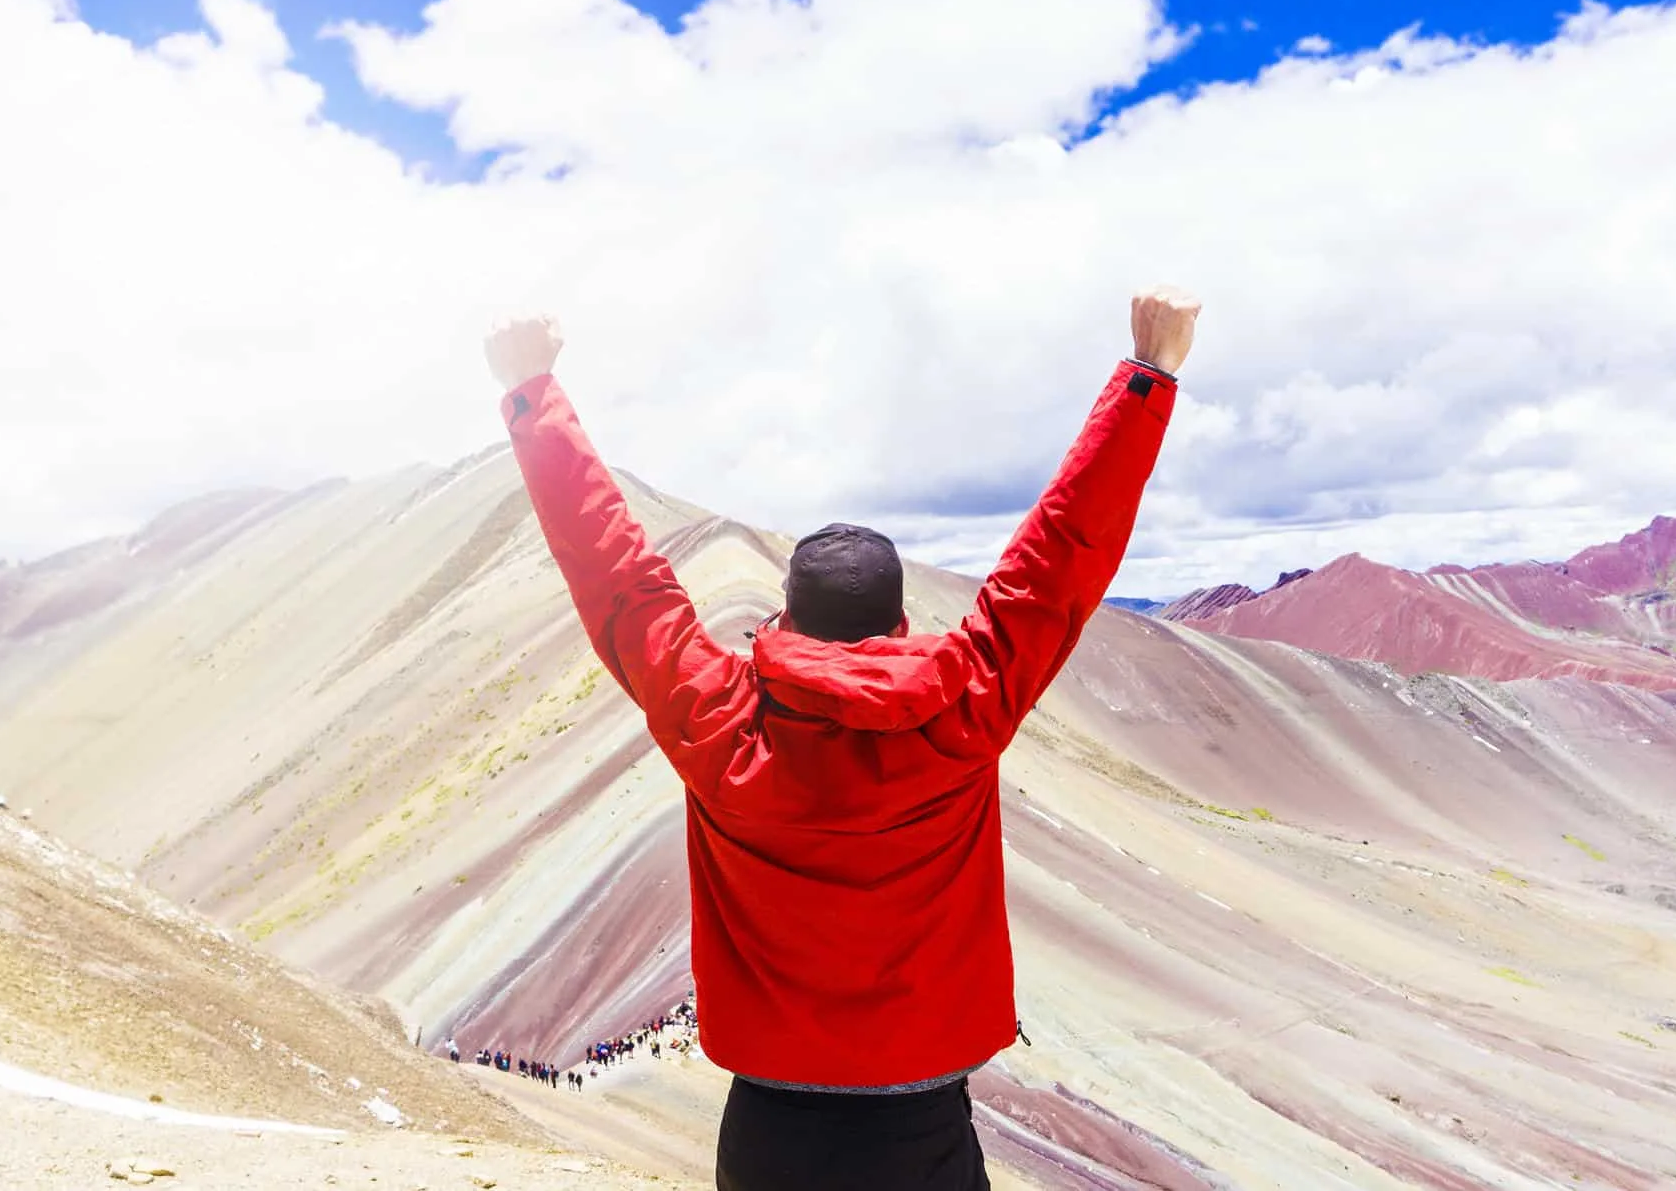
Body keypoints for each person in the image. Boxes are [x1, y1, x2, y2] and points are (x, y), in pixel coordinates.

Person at [486, 288, 1197, 1191]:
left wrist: (533, 393)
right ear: (900, 624)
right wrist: (1148, 375)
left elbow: (621, 582)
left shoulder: (719, 719)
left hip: (769, 1128)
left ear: (784, 617)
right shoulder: (965, 706)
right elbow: (1057, 558)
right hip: (925, 1123)